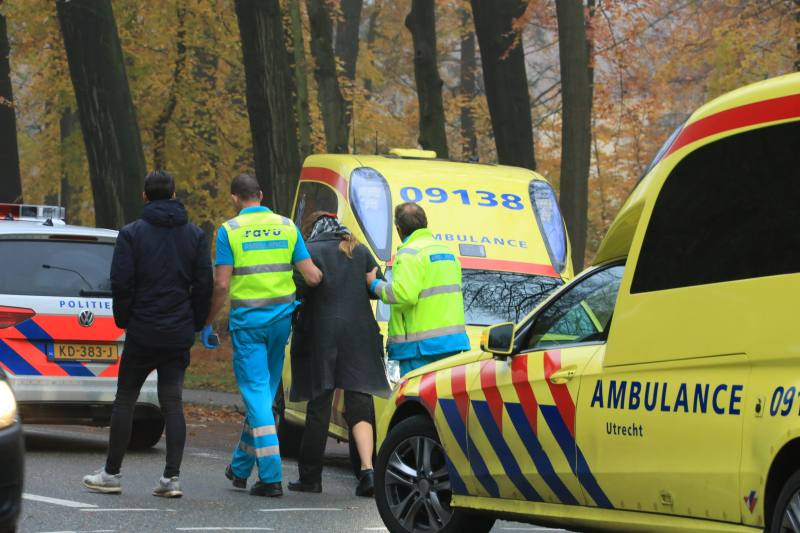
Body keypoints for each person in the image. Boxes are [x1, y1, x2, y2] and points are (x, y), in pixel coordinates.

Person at [82, 170, 213, 498]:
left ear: (144, 196)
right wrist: (195, 323)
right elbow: (204, 285)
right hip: (178, 332)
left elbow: (121, 281)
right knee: (173, 403)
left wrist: (124, 320)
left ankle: (111, 474)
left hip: (142, 330)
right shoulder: (195, 235)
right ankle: (171, 479)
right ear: (174, 195)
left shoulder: (131, 234)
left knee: (125, 399)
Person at [203, 173, 322, 498]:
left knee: (256, 397)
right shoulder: (287, 226)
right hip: (281, 324)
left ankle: (270, 476)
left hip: (248, 326)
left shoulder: (230, 231)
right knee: (264, 398)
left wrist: (207, 321)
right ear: (261, 194)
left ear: (235, 198)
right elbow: (313, 276)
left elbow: (221, 285)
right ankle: (241, 467)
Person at [287, 213, 391, 497]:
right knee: (359, 406)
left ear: (314, 229)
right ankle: (368, 472)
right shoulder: (360, 250)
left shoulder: (309, 251)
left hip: (322, 337)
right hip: (360, 337)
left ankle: (311, 478)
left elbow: (297, 291)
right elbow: (376, 288)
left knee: (319, 405)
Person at [367, 202, 470, 375]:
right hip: (451, 343)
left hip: (420, 347)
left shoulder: (409, 253)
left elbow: (404, 294)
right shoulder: (447, 252)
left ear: (399, 229)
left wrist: (374, 284)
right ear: (426, 224)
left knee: (417, 392)